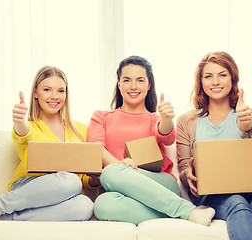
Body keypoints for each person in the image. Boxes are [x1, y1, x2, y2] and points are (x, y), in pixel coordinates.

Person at [87, 55, 215, 225]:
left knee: (111, 172)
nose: (133, 86)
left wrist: (167, 119)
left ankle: (183, 209)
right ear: (119, 84)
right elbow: (96, 147)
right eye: (127, 80)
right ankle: (182, 212)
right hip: (120, 187)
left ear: (148, 85)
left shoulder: (155, 119)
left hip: (161, 183)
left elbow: (166, 135)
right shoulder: (101, 117)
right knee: (102, 205)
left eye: (140, 80)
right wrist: (121, 165)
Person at [176, 51, 252, 240]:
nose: (215, 82)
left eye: (222, 75)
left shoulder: (249, 114)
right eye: (208, 76)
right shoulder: (188, 120)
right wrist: (189, 175)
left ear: (233, 79)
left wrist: (245, 122)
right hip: (212, 195)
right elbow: (184, 170)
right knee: (237, 203)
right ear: (201, 82)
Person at [0, 65, 97, 221]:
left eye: (61, 91)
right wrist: (19, 121)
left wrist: (94, 178)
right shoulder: (31, 126)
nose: (54, 96)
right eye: (47, 90)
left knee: (85, 205)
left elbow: (83, 177)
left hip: (63, 194)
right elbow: (22, 133)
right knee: (71, 180)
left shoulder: (80, 129)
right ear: (36, 93)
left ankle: (7, 218)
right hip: (28, 186)